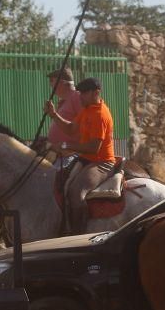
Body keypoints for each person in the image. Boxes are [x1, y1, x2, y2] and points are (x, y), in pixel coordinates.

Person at [44, 77, 116, 235]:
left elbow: (94, 148)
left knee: (77, 193)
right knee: (57, 181)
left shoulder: (100, 115)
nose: (80, 96)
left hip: (102, 163)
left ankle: (79, 235)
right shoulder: (87, 109)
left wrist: (65, 146)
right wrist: (54, 114)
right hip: (86, 159)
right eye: (80, 93)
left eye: (84, 93)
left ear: (96, 92)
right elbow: (71, 129)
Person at [44, 67, 83, 158]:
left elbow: (84, 126)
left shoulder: (77, 97)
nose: (50, 85)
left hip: (70, 154)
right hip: (57, 153)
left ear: (61, 82)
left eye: (52, 81)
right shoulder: (63, 102)